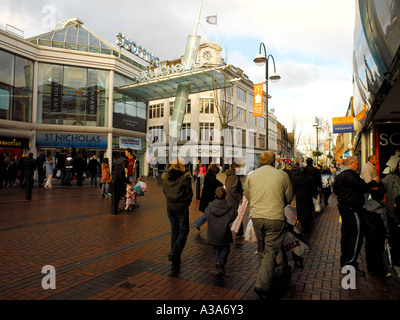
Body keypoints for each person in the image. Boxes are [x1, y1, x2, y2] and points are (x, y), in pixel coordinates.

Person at [243, 151, 293, 300]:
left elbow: (247, 194)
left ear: (260, 161)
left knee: (261, 246)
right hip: (275, 217)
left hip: (257, 217)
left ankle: (264, 272)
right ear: (274, 162)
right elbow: (289, 197)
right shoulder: (282, 175)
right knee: (271, 250)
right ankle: (262, 284)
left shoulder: (251, 175)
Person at [332, 156, 381, 271]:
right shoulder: (350, 174)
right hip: (352, 208)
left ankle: (345, 259)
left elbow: (335, 190)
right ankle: (350, 262)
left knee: (346, 234)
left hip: (344, 207)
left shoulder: (340, 175)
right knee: (356, 235)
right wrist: (374, 182)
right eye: (357, 163)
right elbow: (363, 186)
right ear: (352, 163)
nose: (358, 165)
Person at [162, 159, 193, 269]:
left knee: (174, 230)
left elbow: (164, 191)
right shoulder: (185, 178)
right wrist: (186, 203)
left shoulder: (166, 177)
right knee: (184, 230)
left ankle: (175, 256)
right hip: (181, 206)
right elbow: (189, 193)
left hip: (170, 206)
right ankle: (174, 253)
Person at [204, 186, 237, 276]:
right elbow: (234, 215)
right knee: (226, 248)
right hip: (224, 232)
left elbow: (206, 215)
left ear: (215, 196)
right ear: (225, 196)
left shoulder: (210, 206)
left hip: (213, 232)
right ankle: (221, 262)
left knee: (216, 248)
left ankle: (218, 261)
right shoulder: (229, 207)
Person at [362, 188, 391, 278]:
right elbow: (385, 223)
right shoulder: (382, 209)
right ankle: (380, 270)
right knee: (378, 251)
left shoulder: (365, 206)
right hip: (378, 233)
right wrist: (388, 232)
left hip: (368, 232)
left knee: (369, 248)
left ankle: (370, 266)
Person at [382, 159, 400, 266]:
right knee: (396, 238)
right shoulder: (391, 178)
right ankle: (396, 258)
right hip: (394, 214)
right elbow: (381, 185)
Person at [194, 164, 223, 231]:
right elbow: (215, 183)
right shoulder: (211, 178)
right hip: (208, 198)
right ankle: (198, 223)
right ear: (214, 171)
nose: (216, 174)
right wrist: (221, 185)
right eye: (216, 173)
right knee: (209, 212)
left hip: (207, 198)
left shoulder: (209, 175)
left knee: (209, 212)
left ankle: (198, 223)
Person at [293, 167, 317, 233]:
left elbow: (294, 189)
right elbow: (314, 189)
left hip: (299, 197)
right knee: (307, 210)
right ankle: (307, 223)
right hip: (308, 197)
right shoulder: (311, 179)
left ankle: (301, 222)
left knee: (300, 210)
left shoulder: (296, 179)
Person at [225, 162, 244, 238]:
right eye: (239, 167)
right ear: (235, 167)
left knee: (236, 216)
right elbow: (232, 189)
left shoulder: (229, 175)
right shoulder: (234, 177)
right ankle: (237, 233)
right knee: (236, 216)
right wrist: (240, 198)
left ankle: (239, 232)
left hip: (230, 198)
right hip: (234, 200)